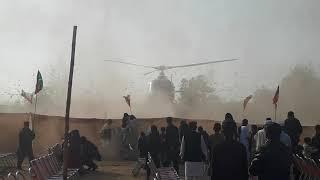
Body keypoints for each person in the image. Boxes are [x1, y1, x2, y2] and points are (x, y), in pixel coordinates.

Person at [211, 113, 248, 180]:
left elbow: (214, 171)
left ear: (223, 131)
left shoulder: (217, 148)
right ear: (234, 130)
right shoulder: (241, 148)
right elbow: (245, 171)